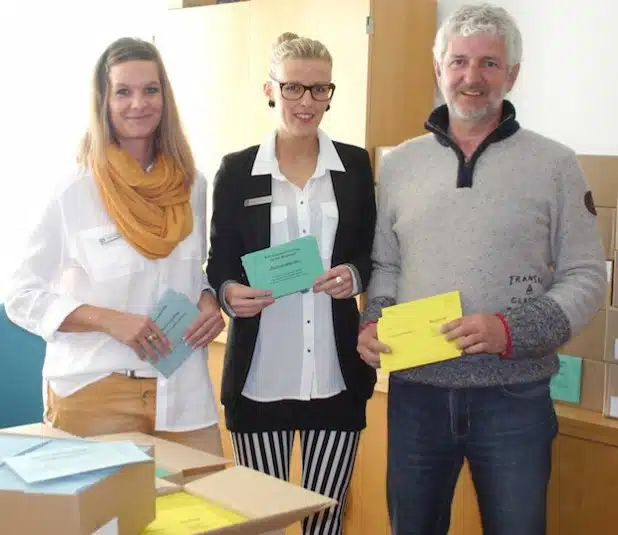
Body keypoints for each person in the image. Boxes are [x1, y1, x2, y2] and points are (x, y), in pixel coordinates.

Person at [357, 4, 606, 535]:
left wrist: (511, 332)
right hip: (416, 395)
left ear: (512, 73)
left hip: (514, 398)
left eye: (490, 63)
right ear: (438, 67)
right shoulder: (399, 163)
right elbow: (386, 264)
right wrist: (374, 319)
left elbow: (588, 276)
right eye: (459, 61)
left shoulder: (555, 164)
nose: (472, 78)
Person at [4, 37, 225, 454]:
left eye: (150, 90)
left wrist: (208, 298)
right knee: (106, 521)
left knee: (210, 514)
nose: (138, 103)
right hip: (95, 391)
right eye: (123, 91)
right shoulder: (73, 191)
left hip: (181, 390)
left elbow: (188, 271)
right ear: (104, 101)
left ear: (165, 98)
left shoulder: (192, 185)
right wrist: (109, 320)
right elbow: (20, 295)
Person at [206, 32, 377, 535]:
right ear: (270, 90)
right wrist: (230, 293)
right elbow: (220, 263)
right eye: (294, 88)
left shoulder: (353, 166)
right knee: (259, 523)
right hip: (262, 375)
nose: (307, 102)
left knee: (324, 523)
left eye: (320, 89)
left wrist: (354, 275)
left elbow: (370, 250)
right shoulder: (238, 171)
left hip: (336, 372)